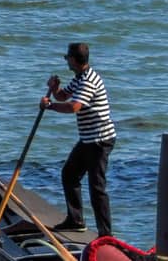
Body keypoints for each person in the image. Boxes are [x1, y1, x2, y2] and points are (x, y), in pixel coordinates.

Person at [41, 41, 116, 237]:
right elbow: (64, 97)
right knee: (69, 174)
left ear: (74, 60)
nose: (66, 61)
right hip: (88, 139)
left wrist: (49, 107)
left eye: (67, 57)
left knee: (96, 187)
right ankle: (76, 220)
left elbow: (74, 106)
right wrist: (55, 89)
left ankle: (106, 234)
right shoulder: (79, 77)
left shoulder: (88, 80)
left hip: (100, 140)